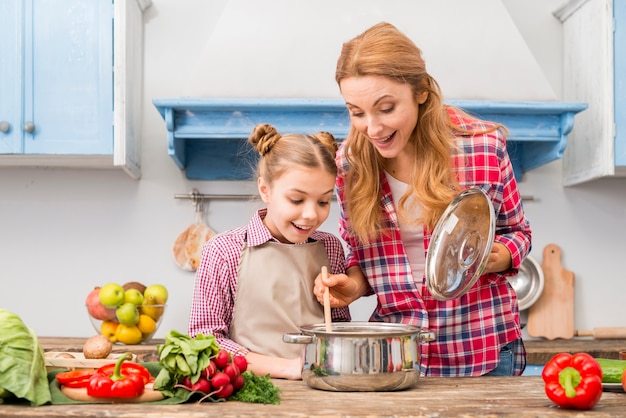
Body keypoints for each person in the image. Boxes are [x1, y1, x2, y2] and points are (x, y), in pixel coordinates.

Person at [314, 22, 532, 377]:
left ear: (420, 92)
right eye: (356, 112)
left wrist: (501, 255)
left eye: (386, 108)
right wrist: (352, 285)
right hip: (397, 355)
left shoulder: (481, 148)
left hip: (482, 349)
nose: (372, 128)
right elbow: (359, 252)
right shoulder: (348, 165)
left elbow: (518, 231)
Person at [189, 123, 351, 380]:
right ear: (265, 190)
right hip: (248, 389)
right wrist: (289, 368)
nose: (311, 215)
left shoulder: (330, 248)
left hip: (322, 388)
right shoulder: (223, 251)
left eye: (323, 201)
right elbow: (205, 341)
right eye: (296, 200)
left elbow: (340, 329)